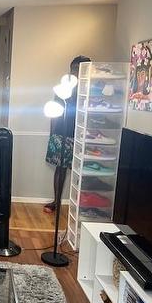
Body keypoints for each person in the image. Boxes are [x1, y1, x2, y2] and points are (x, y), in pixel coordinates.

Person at [44, 55, 91, 213]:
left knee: (81, 171)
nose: (76, 72)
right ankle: (56, 202)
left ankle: (80, 205)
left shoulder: (90, 89)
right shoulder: (63, 90)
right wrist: (52, 134)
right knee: (60, 169)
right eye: (74, 69)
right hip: (61, 133)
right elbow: (54, 112)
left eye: (79, 69)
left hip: (83, 135)